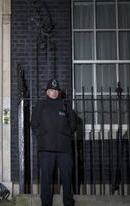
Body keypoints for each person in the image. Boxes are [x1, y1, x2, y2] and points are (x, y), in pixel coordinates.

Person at [31, 78, 77, 206]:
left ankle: (68, 203)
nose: (54, 92)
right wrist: (42, 135)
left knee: (67, 178)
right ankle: (46, 203)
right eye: (51, 90)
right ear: (47, 92)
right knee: (46, 179)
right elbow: (34, 123)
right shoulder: (40, 105)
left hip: (64, 149)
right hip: (46, 148)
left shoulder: (66, 104)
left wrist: (66, 134)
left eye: (56, 90)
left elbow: (73, 124)